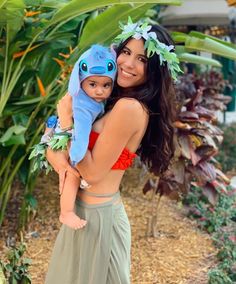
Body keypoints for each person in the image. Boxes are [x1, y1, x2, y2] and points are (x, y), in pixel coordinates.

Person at [45, 18, 180, 284]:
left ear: (153, 69)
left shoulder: (129, 108)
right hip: (84, 213)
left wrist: (66, 122)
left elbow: (92, 172)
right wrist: (60, 161)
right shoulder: (109, 99)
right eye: (126, 52)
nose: (128, 64)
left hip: (98, 221)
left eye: (141, 59)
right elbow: (62, 155)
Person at [34, 44, 117, 230]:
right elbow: (80, 135)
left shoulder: (92, 99)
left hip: (63, 132)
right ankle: (66, 213)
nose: (99, 91)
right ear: (80, 80)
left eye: (106, 85)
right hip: (61, 139)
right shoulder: (82, 106)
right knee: (72, 174)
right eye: (93, 84)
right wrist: (78, 158)